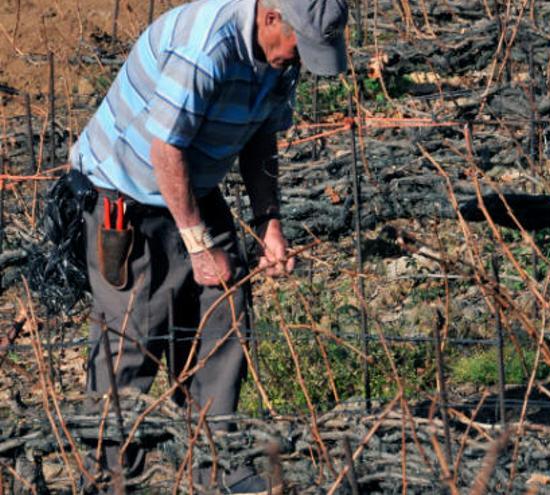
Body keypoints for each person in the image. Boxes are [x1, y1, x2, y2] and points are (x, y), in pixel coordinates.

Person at [68, 0, 348, 492]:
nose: (300, 60)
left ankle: (215, 460)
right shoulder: (207, 47)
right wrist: (199, 245)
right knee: (134, 331)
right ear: (271, 18)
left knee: (226, 307)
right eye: (300, 48)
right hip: (126, 192)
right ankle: (109, 473)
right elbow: (165, 150)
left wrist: (270, 225)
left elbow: (263, 138)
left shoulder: (280, 58)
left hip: (190, 186)